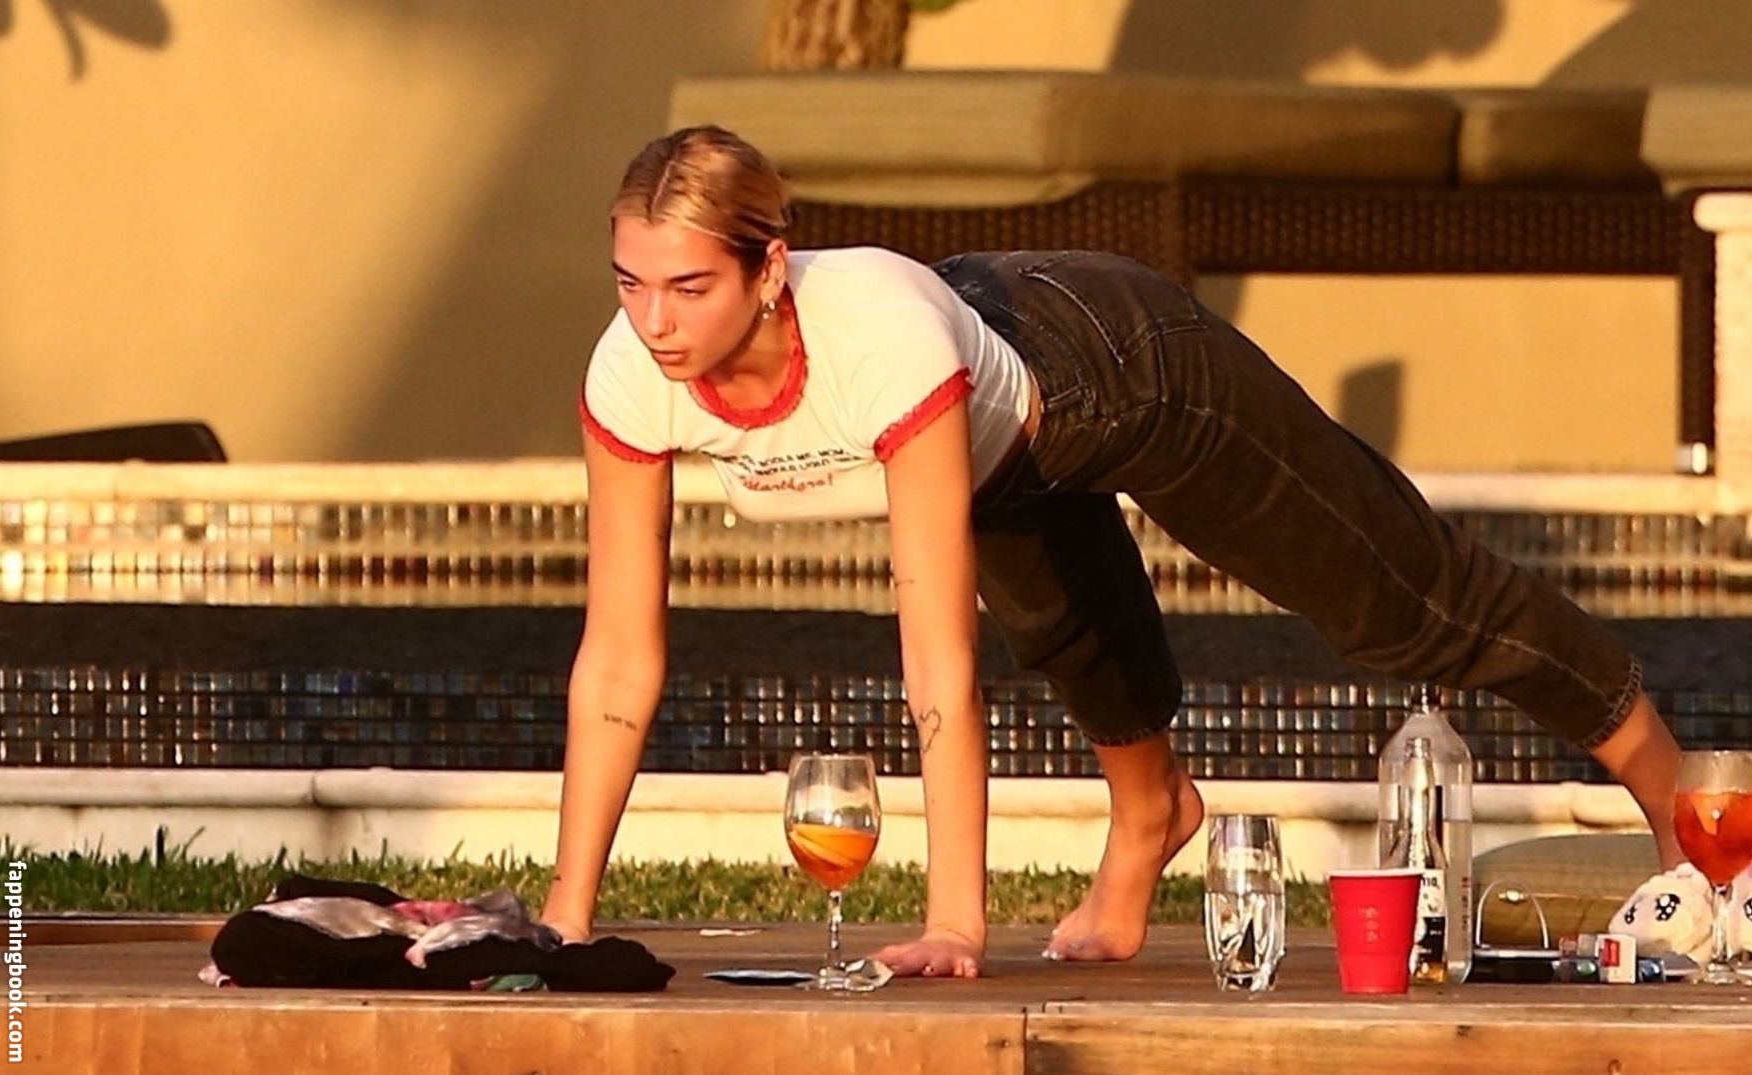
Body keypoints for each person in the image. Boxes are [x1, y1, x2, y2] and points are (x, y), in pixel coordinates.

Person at [538, 125, 1688, 978]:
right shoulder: (630, 372)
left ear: (770, 270)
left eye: (689, 287)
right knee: (1060, 625)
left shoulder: (876, 342)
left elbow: (936, 660)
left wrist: (955, 925)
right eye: (630, 284)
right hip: (993, 426)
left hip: (1120, 366)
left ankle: (1678, 800)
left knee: (1399, 601)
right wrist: (565, 922)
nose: (655, 322)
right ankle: (1152, 816)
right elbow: (620, 662)